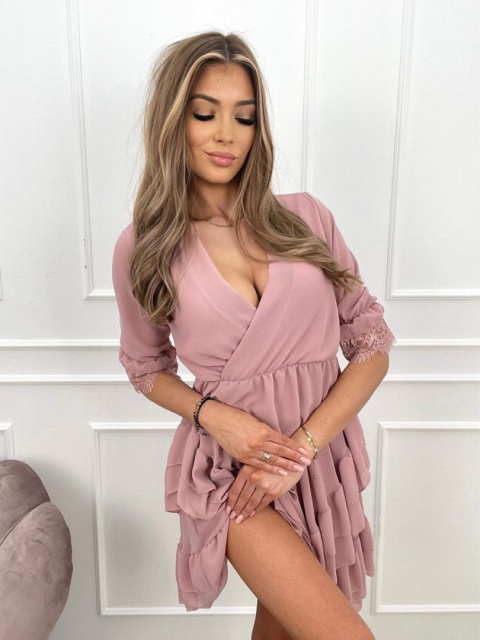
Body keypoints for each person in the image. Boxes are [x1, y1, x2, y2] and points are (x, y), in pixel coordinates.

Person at [112, 30, 395, 640]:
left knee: (285, 632)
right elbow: (145, 367)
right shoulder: (145, 245)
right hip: (233, 474)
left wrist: (304, 450)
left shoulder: (306, 217)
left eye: (243, 117)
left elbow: (371, 345)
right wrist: (217, 418)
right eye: (205, 113)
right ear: (173, 121)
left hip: (318, 460)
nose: (226, 135)